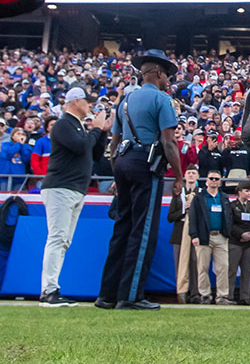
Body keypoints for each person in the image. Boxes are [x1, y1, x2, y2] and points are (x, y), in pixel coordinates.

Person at [97, 49, 184, 311]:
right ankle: (131, 295)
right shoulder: (163, 100)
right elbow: (168, 142)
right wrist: (178, 175)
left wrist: (116, 173)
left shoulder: (125, 101)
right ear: (158, 73)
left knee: (122, 227)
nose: (168, 79)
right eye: (167, 74)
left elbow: (113, 143)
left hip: (122, 162)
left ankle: (107, 294)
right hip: (146, 164)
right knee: (143, 230)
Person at [39, 87, 111, 307]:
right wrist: (95, 130)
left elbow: (95, 155)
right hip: (61, 187)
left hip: (75, 188)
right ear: (76, 101)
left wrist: (102, 132)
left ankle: (53, 288)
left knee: (64, 240)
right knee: (57, 238)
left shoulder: (78, 126)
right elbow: (81, 147)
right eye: (86, 101)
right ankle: (48, 290)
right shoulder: (63, 124)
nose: (89, 105)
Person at [190, 169, 234, 305]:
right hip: (204, 236)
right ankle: (205, 295)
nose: (214, 181)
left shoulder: (224, 197)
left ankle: (222, 296)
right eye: (211, 178)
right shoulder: (199, 197)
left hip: (220, 235)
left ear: (220, 181)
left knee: (223, 267)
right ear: (206, 180)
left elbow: (229, 216)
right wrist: (194, 235)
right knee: (202, 267)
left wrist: (227, 232)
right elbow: (193, 217)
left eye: (216, 179)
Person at [167, 166, 201, 304]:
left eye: (194, 173)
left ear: (198, 176)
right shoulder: (178, 194)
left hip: (195, 232)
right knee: (180, 263)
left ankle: (195, 293)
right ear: (185, 176)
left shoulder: (201, 194)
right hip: (179, 232)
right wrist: (183, 209)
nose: (191, 175)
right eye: (189, 173)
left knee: (195, 262)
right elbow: (170, 217)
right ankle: (181, 292)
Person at [228, 181, 250, 305]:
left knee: (247, 271)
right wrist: (241, 234)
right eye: (246, 191)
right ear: (240, 191)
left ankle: (245, 296)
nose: (249, 193)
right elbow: (230, 223)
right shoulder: (232, 206)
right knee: (232, 269)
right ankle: (229, 295)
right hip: (235, 241)